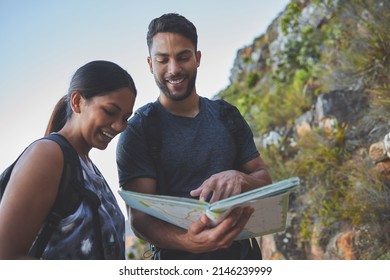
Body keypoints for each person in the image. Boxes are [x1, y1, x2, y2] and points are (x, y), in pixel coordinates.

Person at [116, 13, 272, 260]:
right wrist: (189, 242)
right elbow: (139, 219)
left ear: (197, 58)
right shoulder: (138, 131)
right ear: (150, 65)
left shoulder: (227, 115)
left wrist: (240, 177)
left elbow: (264, 180)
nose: (174, 69)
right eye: (162, 60)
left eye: (183, 57)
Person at [0, 60, 137, 259]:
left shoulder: (90, 170)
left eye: (125, 118)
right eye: (110, 111)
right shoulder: (48, 155)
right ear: (77, 102)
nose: (119, 126)